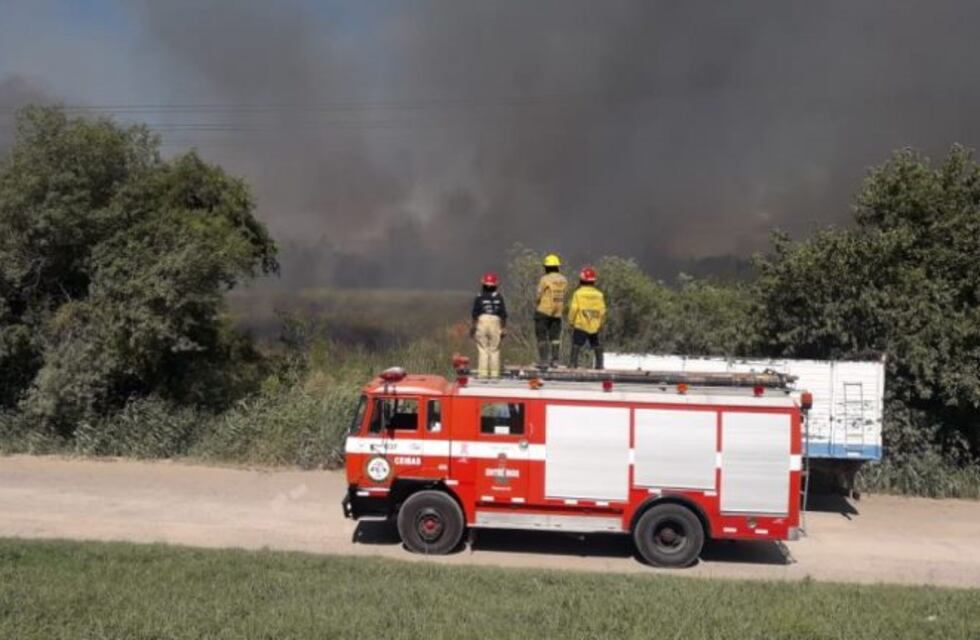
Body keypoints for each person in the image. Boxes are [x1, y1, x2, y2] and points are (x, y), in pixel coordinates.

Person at [568, 266, 606, 369]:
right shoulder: (599, 295)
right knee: (596, 344)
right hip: (594, 325)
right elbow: (602, 311)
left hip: (581, 324)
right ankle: (599, 365)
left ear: (581, 280)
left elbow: (573, 309)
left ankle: (573, 364)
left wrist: (571, 321)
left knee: (576, 344)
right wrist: (600, 323)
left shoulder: (578, 293)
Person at [471, 272, 508, 378]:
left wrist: (474, 327)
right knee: (494, 350)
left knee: (483, 350)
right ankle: (495, 375)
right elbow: (503, 314)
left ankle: (482, 375)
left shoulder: (479, 296)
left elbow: (475, 313)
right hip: (495, 321)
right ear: (495, 285)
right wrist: (503, 327)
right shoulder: (499, 297)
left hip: (482, 321)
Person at [534, 253, 568, 366]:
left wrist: (537, 303)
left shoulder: (545, 279)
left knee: (541, 335)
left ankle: (544, 360)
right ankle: (555, 359)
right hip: (557, 312)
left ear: (547, 267)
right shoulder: (564, 280)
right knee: (555, 337)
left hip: (543, 311)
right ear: (557, 266)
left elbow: (538, 295)